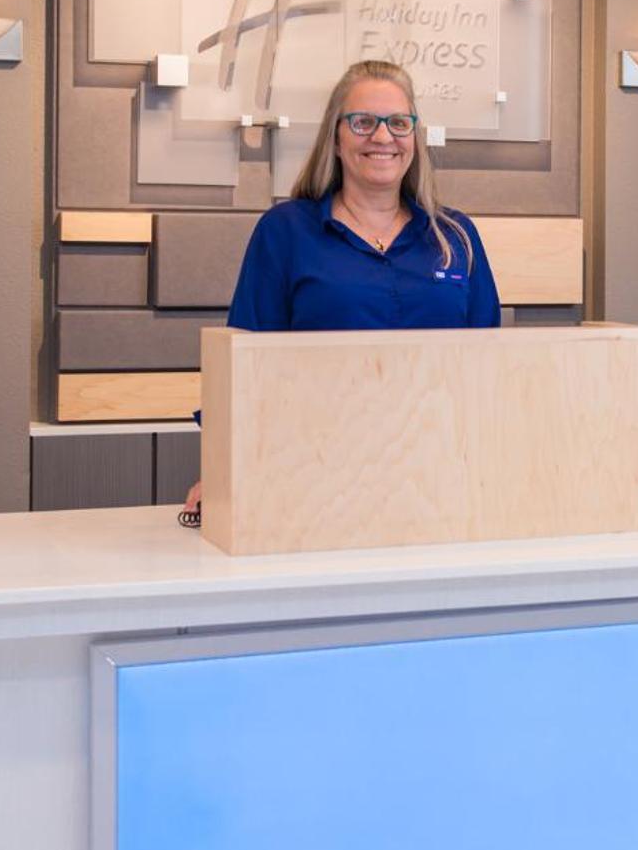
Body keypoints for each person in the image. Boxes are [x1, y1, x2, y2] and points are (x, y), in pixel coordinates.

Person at [182, 60, 500, 515]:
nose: (383, 137)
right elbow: (243, 365)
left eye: (398, 123)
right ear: (335, 137)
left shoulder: (455, 237)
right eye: (363, 122)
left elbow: (489, 368)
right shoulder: (286, 231)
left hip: (441, 474)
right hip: (316, 476)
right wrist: (221, 468)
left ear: (414, 136)